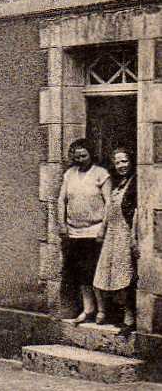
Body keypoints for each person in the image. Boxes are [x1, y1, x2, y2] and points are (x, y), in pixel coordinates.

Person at [57, 139, 111, 325]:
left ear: (90, 154)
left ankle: (102, 310)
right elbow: (61, 200)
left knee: (95, 270)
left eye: (84, 155)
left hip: (95, 230)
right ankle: (88, 308)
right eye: (77, 156)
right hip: (74, 231)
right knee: (80, 272)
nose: (80, 159)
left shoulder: (100, 174)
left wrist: (103, 229)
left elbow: (110, 203)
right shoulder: (69, 174)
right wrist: (61, 224)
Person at [94, 148, 137, 333]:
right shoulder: (118, 183)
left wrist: (133, 238)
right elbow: (110, 210)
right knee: (103, 274)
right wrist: (102, 230)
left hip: (125, 233)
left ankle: (129, 316)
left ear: (131, 161)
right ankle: (106, 312)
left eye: (125, 161)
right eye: (118, 162)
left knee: (124, 275)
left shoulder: (135, 183)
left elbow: (137, 212)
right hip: (112, 232)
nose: (121, 166)